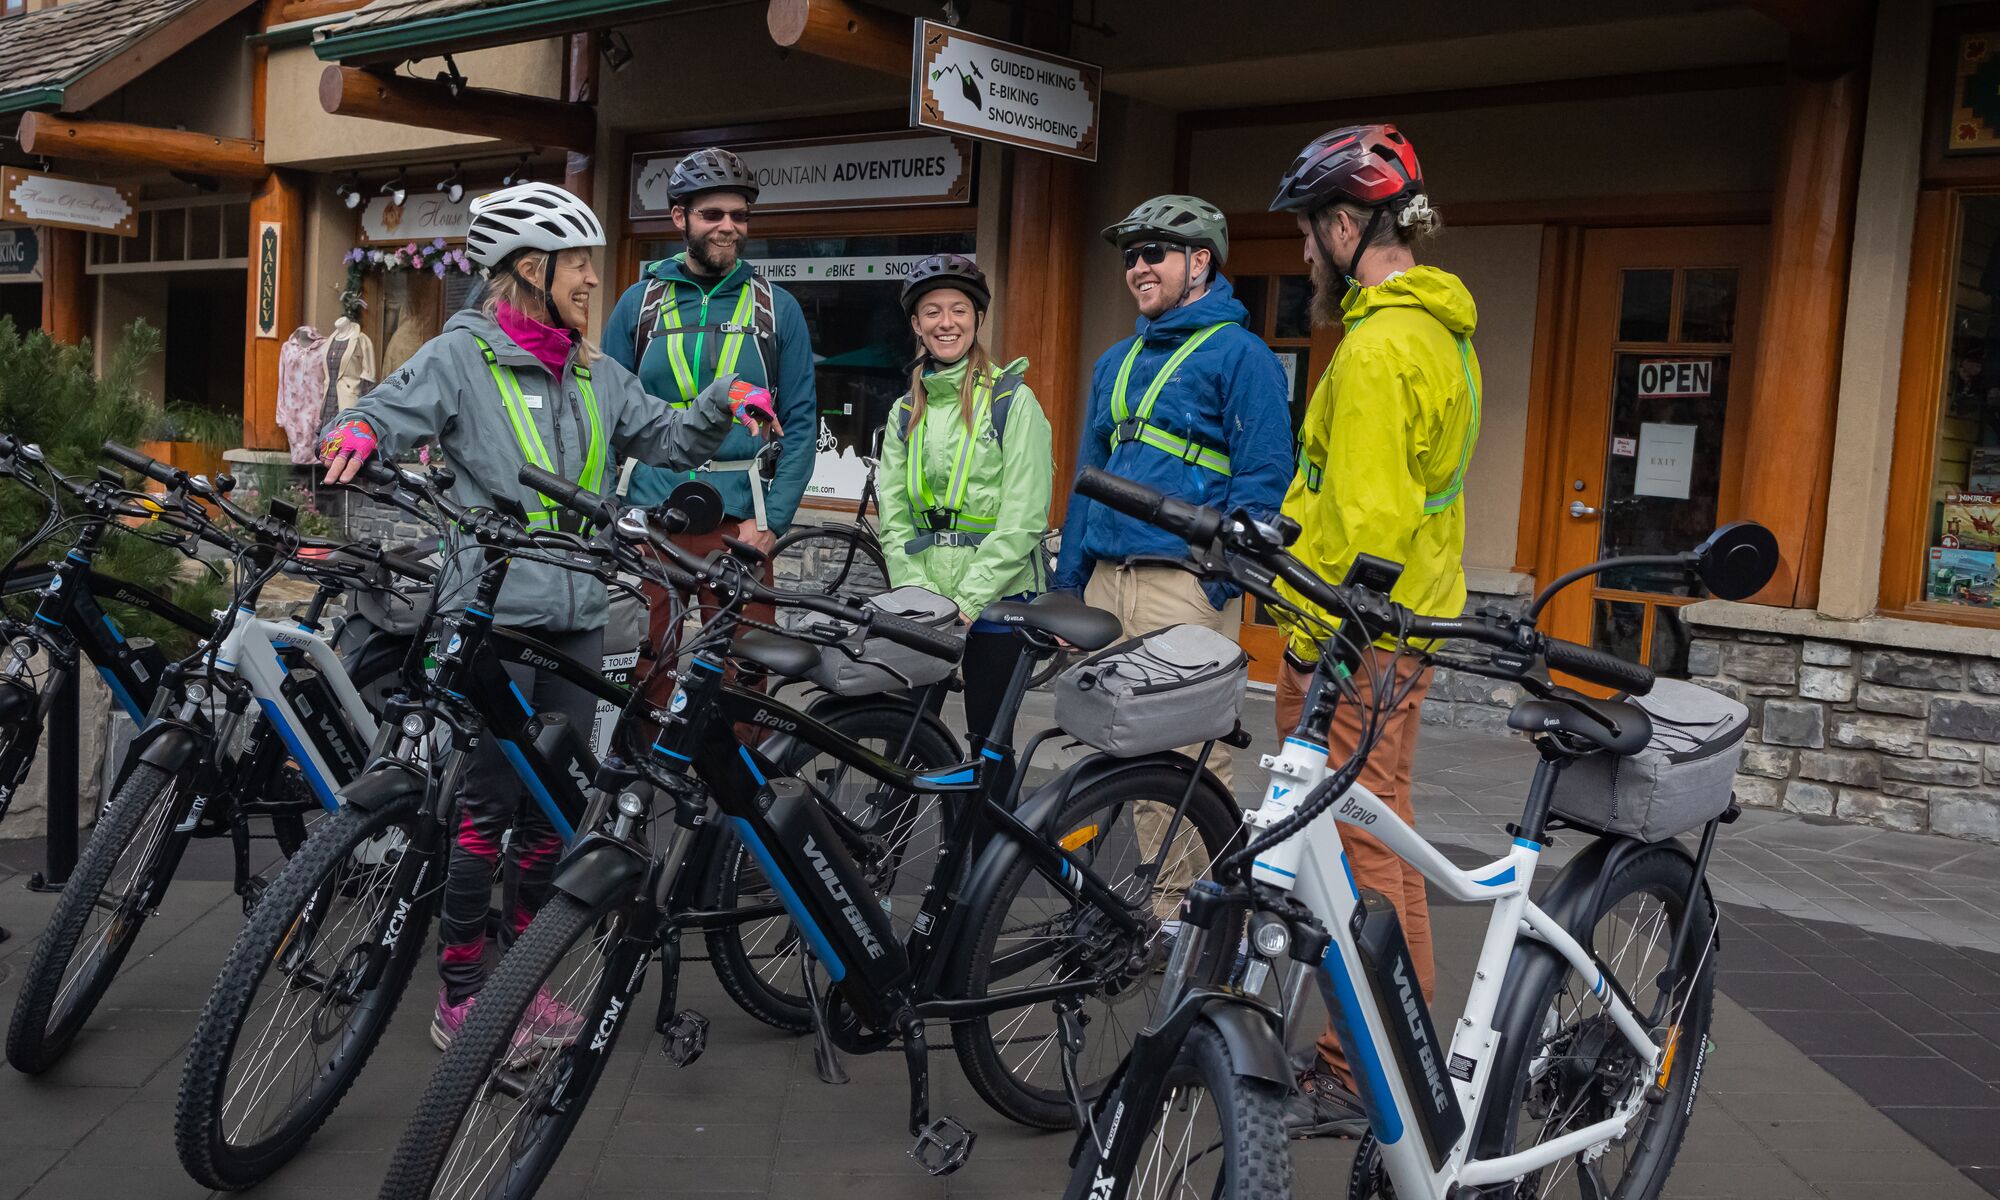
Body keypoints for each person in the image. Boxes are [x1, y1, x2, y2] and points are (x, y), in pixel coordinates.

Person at [319, 181, 776, 1049]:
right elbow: (389, 405)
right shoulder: (462, 357)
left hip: (575, 614)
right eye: (579, 265)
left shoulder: (596, 372)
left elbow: (669, 438)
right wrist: (361, 433)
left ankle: (523, 985)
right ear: (531, 269)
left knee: (550, 812)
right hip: (496, 619)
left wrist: (726, 402)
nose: (593, 281)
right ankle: (462, 995)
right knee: (486, 809)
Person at [1266, 124, 1482, 1136]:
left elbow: (1365, 522)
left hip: (1355, 638)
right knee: (1376, 831)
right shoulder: (1437, 335)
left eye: (1310, 232)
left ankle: (1361, 1067)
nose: (1303, 253)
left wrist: (1313, 641)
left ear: (1347, 224)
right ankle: (1388, 1043)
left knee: (1356, 844)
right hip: (1401, 632)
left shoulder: (1378, 346)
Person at [1051, 194, 1293, 900]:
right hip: (1106, 580)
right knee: (1100, 753)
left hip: (1181, 585)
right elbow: (1086, 480)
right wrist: (1068, 582)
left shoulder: (1241, 355)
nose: (1137, 267)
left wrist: (1218, 581)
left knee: (1181, 766)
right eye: (1130, 256)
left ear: (1200, 262)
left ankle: (1189, 923)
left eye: (1153, 252)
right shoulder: (1115, 361)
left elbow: (1263, 475)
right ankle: (1104, 910)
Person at [604, 148, 817, 682]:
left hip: (738, 523)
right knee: (649, 670)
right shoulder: (638, 303)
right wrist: (610, 511)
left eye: (739, 215)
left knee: (744, 673)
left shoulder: (776, 307)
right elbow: (602, 413)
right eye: (713, 214)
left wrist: (773, 523)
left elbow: (801, 421)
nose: (728, 227)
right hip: (651, 518)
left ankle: (738, 764)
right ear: (680, 218)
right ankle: (647, 764)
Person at [877, 254, 1052, 757]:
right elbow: (893, 516)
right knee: (903, 735)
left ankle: (984, 836)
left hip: (998, 601)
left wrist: (968, 602)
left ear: (977, 319)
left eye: (958, 309)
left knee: (989, 743)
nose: (945, 322)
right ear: (916, 324)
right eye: (932, 312)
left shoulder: (1013, 401)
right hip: (925, 597)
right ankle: (884, 838)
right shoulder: (905, 410)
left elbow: (1024, 516)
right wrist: (921, 593)